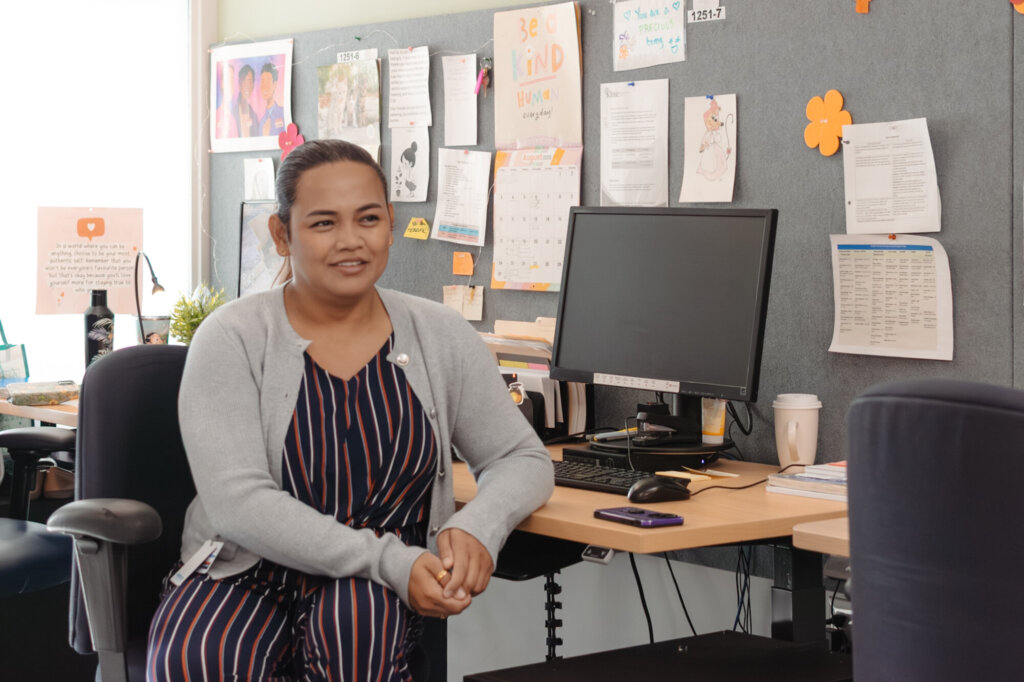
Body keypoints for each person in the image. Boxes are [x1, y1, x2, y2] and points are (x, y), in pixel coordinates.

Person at [146, 139, 554, 681]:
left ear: (390, 223)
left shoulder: (442, 335)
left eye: (367, 219)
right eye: (322, 223)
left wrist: (481, 525)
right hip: (249, 567)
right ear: (281, 234)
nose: (350, 241)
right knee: (204, 660)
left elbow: (520, 457)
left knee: (355, 632)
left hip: (376, 585)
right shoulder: (233, 336)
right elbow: (237, 504)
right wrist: (389, 559)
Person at [259, 61, 286, 137]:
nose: (265, 87)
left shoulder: (283, 114)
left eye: (268, 81)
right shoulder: (261, 122)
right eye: (262, 82)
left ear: (274, 84)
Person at [233, 63, 259, 137]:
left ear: (253, 86)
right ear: (239, 84)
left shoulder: (254, 116)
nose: (247, 85)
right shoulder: (232, 113)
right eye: (244, 81)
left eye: (250, 81)